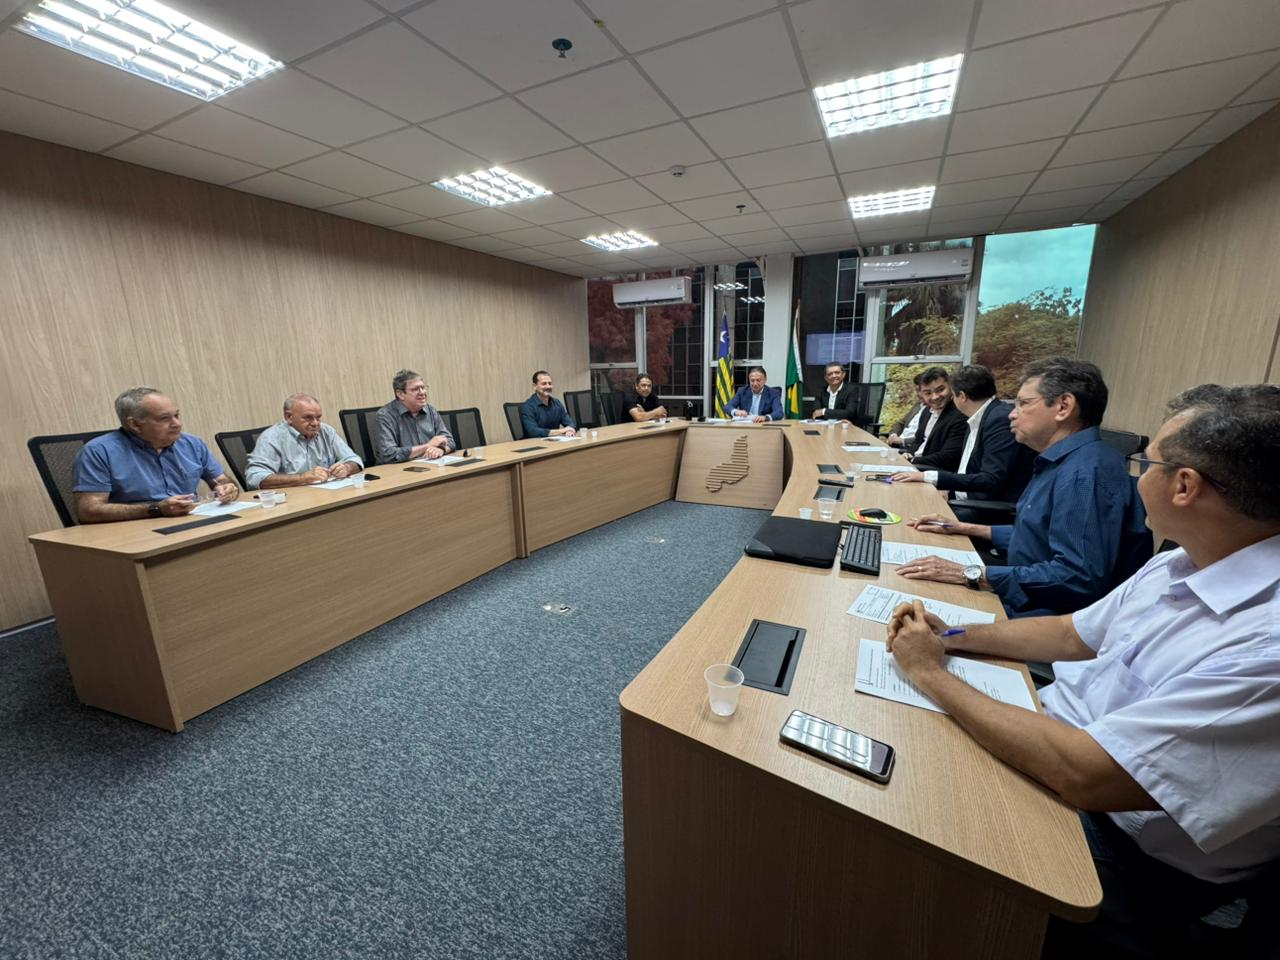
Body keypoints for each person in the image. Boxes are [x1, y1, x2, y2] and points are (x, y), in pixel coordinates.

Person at [886, 383, 1280, 958]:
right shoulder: (1181, 562)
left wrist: (930, 673)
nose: (1135, 477)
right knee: (898, 744)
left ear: (1185, 486)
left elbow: (1086, 774)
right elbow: (1073, 634)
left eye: (1147, 464)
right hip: (1062, 740)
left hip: (1123, 851)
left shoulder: (1266, 646)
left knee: (902, 822)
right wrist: (953, 637)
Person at [900, 358, 1151, 617]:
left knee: (913, 609)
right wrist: (964, 528)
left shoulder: (1084, 474)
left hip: (1047, 614)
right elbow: (1039, 536)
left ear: (1063, 406)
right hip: (1025, 589)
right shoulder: (1062, 461)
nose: (1012, 413)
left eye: (1024, 403)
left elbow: (1076, 577)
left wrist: (968, 574)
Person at [72, 386, 238, 523]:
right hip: (136, 532)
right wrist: (156, 509)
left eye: (177, 415)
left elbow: (221, 479)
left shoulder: (192, 444)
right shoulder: (98, 452)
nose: (177, 424)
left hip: (190, 523)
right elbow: (88, 511)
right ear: (135, 424)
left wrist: (227, 487)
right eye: (165, 418)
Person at [889, 364, 1034, 511]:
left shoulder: (999, 419)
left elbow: (991, 479)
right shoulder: (980, 417)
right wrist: (949, 488)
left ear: (962, 396)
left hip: (982, 509)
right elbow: (969, 470)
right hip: (960, 497)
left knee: (907, 511)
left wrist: (929, 477)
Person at [245, 393, 364, 489]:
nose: (315, 423)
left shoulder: (326, 431)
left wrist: (347, 468)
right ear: (289, 417)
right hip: (293, 501)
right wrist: (301, 478)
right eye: (308, 418)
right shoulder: (272, 437)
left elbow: (354, 459)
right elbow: (255, 478)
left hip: (327, 495)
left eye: (318, 417)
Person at [375, 369, 455, 463]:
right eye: (415, 389)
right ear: (400, 394)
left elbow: (450, 441)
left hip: (430, 465)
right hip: (399, 469)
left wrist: (441, 449)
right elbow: (389, 454)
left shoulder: (431, 410)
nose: (422, 392)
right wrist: (428, 446)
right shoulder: (385, 416)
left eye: (423, 387)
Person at [902, 366, 967, 470]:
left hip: (932, 471)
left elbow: (949, 457)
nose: (935, 397)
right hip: (914, 466)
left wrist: (913, 460)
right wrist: (908, 454)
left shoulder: (960, 414)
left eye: (940, 390)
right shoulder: (926, 411)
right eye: (928, 393)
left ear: (950, 385)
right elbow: (917, 442)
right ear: (921, 394)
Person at [521, 370, 577, 437]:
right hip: (535, 442)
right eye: (544, 384)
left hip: (556, 441)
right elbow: (533, 431)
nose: (548, 386)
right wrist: (561, 431)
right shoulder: (528, 407)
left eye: (550, 383)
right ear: (535, 386)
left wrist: (569, 431)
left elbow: (570, 423)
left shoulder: (557, 403)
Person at [886, 374, 927, 448]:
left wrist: (902, 441)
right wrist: (893, 435)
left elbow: (925, 438)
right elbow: (900, 423)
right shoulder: (918, 405)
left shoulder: (933, 412)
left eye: (921, 390)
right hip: (897, 445)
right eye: (917, 390)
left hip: (910, 448)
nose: (918, 394)